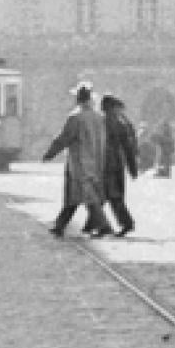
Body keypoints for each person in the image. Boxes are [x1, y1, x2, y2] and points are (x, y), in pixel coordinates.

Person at [42, 82, 109, 238]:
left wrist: (50, 153)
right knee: (79, 195)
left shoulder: (75, 117)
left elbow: (64, 138)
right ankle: (60, 225)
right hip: (96, 161)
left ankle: (103, 225)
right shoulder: (99, 117)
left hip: (79, 162)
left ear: (77, 98)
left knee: (84, 196)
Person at [88, 94, 139, 237]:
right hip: (116, 163)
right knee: (112, 196)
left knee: (101, 196)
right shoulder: (120, 124)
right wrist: (132, 168)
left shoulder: (100, 123)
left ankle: (101, 226)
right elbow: (128, 148)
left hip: (104, 164)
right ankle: (120, 223)